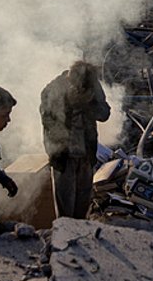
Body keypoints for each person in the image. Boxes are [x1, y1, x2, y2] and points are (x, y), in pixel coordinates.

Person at [40, 61, 111, 219]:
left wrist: (89, 104)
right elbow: (50, 123)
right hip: (64, 157)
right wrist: (71, 105)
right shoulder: (53, 90)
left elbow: (104, 113)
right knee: (66, 211)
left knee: (82, 207)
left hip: (86, 155)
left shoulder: (92, 85)